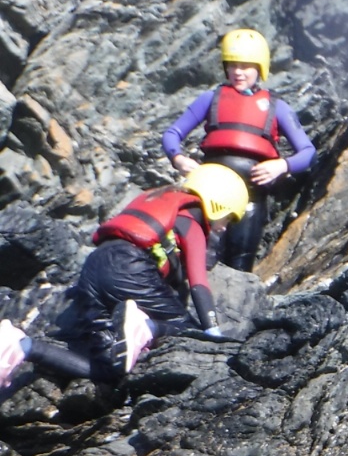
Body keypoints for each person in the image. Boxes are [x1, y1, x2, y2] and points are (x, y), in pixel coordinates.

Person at [0, 164, 247, 391]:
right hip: (129, 266)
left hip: (93, 268)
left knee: (110, 369)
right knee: (189, 332)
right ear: (216, 202)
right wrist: (213, 334)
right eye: (228, 217)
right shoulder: (190, 220)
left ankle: (22, 345)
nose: (225, 227)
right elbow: (199, 284)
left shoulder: (156, 198)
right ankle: (148, 327)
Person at [162, 28, 316, 272]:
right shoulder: (210, 98)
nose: (238, 72)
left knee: (239, 263)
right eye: (233, 65)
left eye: (245, 66)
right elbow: (172, 134)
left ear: (259, 67)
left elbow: (308, 153)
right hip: (209, 191)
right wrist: (178, 159)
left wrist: (281, 165)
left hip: (251, 196)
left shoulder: (277, 107)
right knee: (194, 255)